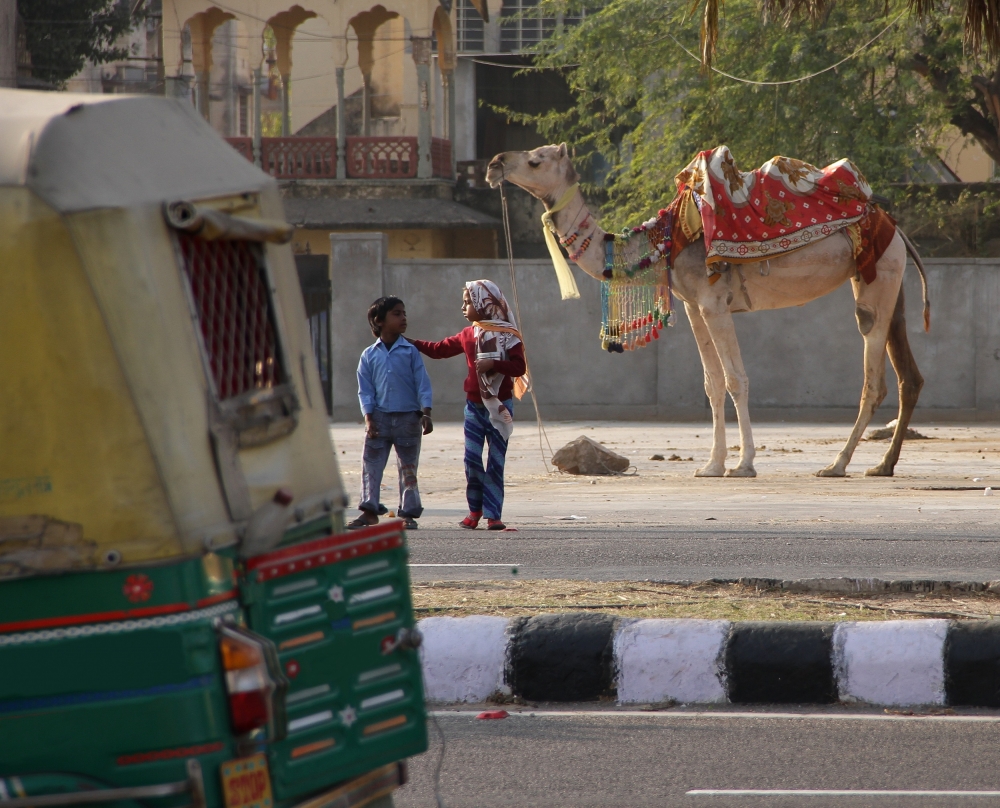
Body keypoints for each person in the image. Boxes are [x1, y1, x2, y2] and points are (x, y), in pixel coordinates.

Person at [409, 280, 526, 531]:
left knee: (496, 461)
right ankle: (475, 510)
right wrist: (412, 342)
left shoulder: (509, 336)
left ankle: (493, 515)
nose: (464, 307)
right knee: (472, 459)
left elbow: (519, 367)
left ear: (485, 303)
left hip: (500, 407)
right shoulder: (467, 334)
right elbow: (439, 349)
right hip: (474, 407)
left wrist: (494, 364)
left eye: (468, 302)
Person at [351, 296, 433, 531]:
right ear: (379, 321)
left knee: (408, 467)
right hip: (379, 419)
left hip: (408, 418)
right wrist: (368, 417)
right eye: (397, 314)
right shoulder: (368, 355)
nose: (404, 318)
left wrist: (426, 412)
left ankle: (407, 513)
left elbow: (422, 384)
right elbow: (364, 390)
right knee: (371, 465)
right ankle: (369, 511)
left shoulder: (410, 352)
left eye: (404, 313)